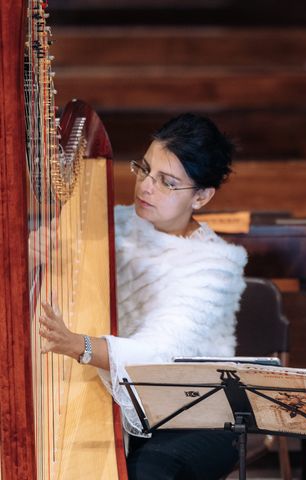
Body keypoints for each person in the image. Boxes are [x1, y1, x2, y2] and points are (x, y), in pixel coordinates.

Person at [38, 113, 248, 479]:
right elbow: (42, 280)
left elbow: (160, 354)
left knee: (147, 470)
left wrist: (78, 345)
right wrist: (30, 254)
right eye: (144, 169)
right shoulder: (109, 225)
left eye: (167, 182)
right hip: (118, 395)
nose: (146, 187)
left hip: (193, 411)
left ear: (201, 196)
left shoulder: (216, 265)